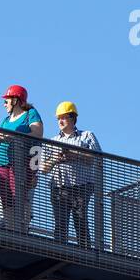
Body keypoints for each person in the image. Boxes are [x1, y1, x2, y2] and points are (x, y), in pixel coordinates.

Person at [41, 101, 102, 248]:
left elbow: (97, 158)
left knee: (80, 218)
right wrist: (56, 158)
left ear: (73, 118)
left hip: (82, 185)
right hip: (59, 187)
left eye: (63, 117)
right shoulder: (53, 141)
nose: (60, 121)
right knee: (60, 222)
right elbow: (43, 168)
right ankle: (60, 251)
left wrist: (74, 154)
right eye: (58, 118)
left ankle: (85, 251)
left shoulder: (86, 136)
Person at [0, 85, 43, 233]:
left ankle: (21, 230)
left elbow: (38, 132)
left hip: (21, 161)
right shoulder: (6, 119)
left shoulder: (30, 114)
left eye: (6, 101)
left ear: (15, 100)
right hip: (2, 162)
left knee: (19, 196)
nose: (4, 104)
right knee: (6, 199)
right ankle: (10, 230)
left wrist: (13, 137)